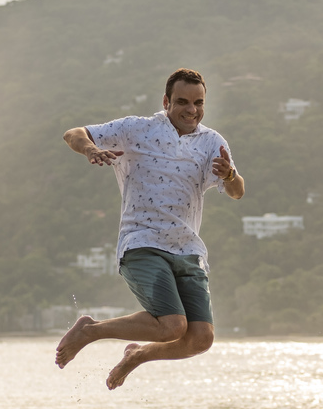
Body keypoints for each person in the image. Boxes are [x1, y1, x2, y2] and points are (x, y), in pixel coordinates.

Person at [55, 68, 245, 388]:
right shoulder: (136, 129)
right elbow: (73, 133)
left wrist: (228, 175)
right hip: (142, 241)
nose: (192, 110)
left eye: (198, 103)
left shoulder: (213, 142)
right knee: (172, 326)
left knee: (200, 338)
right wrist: (91, 150)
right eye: (182, 101)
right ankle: (90, 331)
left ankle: (137, 356)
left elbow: (238, 191)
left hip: (189, 248)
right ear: (166, 101)